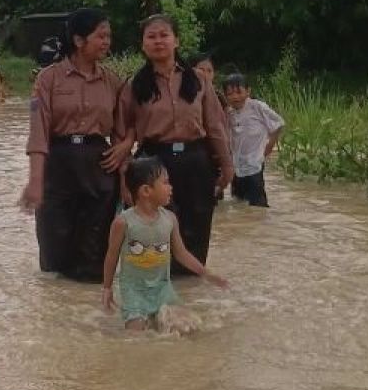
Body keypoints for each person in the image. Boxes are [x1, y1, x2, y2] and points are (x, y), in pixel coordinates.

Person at [20, 9, 129, 281]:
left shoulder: (112, 81)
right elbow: (39, 133)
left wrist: (125, 150)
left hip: (100, 169)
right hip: (58, 169)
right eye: (100, 36)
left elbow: (124, 128)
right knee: (55, 256)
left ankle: (89, 316)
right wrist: (35, 181)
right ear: (79, 41)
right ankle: (58, 317)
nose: (107, 42)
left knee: (95, 256)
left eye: (109, 36)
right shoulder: (48, 79)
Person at [119, 15, 233, 273]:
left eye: (164, 35)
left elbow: (215, 126)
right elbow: (123, 134)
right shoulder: (133, 86)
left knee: (197, 228)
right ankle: (156, 296)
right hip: (153, 163)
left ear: (176, 40)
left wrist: (226, 165)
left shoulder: (198, 80)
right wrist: (124, 178)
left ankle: (192, 297)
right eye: (151, 36)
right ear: (143, 44)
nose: (158, 41)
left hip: (196, 160)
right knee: (154, 234)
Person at [102, 157, 229, 331]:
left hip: (163, 288)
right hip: (134, 291)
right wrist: (107, 288)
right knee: (136, 335)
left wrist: (208, 274)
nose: (171, 188)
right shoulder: (123, 222)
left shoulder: (169, 219)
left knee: (186, 328)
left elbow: (181, 253)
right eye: (165, 183)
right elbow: (111, 256)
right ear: (146, 190)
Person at [223, 73, 285, 207]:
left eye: (239, 92)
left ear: (248, 91)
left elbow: (279, 123)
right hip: (236, 167)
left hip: (255, 164)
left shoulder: (257, 107)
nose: (235, 97)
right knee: (237, 203)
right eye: (230, 93)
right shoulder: (228, 113)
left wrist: (268, 147)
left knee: (258, 206)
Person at [189, 52, 229, 200]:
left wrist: (226, 156)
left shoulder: (220, 98)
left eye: (209, 71)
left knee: (215, 200)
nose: (205, 74)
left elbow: (223, 127)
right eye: (201, 70)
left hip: (215, 154)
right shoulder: (187, 93)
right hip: (195, 152)